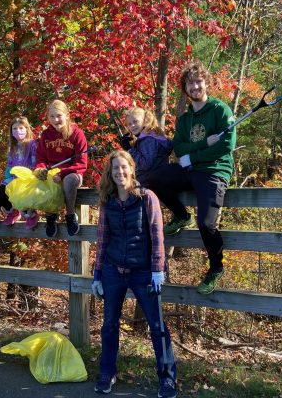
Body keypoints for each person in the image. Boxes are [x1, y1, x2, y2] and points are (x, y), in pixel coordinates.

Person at [91, 150, 177, 398]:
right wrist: (97, 274)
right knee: (109, 325)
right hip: (113, 270)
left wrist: (157, 269)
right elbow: (102, 239)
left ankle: (167, 379)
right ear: (111, 172)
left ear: (131, 169)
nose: (119, 172)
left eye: (123, 167)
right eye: (115, 168)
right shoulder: (108, 202)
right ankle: (107, 372)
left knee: (157, 326)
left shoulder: (147, 197)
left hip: (143, 273)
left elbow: (156, 234)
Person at [149, 59, 236, 295]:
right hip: (190, 170)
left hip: (214, 171)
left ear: (206, 83)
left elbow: (226, 145)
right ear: (185, 89)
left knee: (206, 224)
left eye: (198, 82)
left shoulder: (220, 110)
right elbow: (178, 148)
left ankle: (216, 268)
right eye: (190, 84)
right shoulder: (185, 119)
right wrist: (200, 146)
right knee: (154, 180)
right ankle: (180, 215)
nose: (195, 87)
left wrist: (194, 156)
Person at [34, 99, 88, 237]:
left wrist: (62, 174)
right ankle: (51, 216)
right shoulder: (46, 135)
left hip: (72, 173)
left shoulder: (77, 134)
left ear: (67, 115)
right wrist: (40, 169)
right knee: (43, 180)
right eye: (52, 116)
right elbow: (40, 159)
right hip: (52, 172)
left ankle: (70, 215)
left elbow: (81, 163)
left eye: (59, 115)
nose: (55, 119)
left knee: (69, 181)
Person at [0, 116, 39, 229]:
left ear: (26, 129)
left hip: (28, 177)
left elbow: (35, 162)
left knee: (22, 193)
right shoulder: (13, 147)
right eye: (15, 129)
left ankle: (31, 214)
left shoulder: (32, 145)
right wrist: (8, 174)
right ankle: (13, 211)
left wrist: (30, 174)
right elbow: (10, 164)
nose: (18, 131)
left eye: (21, 128)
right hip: (14, 177)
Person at [120, 107, 172, 187]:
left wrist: (130, 149)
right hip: (154, 180)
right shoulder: (147, 137)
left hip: (151, 184)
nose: (132, 125)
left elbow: (145, 165)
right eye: (129, 124)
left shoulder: (148, 139)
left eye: (135, 121)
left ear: (145, 121)